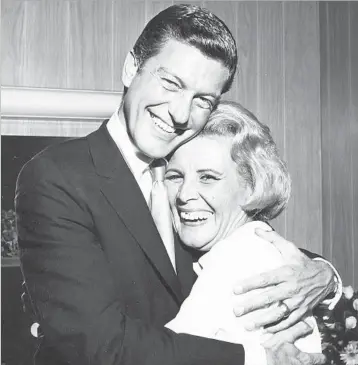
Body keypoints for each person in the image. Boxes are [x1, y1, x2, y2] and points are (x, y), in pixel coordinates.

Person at [15, 4, 339, 365]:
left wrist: (327, 276)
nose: (181, 114)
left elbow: (247, 244)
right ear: (131, 68)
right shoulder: (57, 177)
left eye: (203, 100)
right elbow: (98, 346)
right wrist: (257, 358)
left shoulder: (191, 164)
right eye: (171, 83)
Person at [164, 101, 321, 356]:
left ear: (252, 187)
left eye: (208, 177)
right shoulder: (256, 245)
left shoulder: (237, 258)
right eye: (175, 177)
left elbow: (161, 356)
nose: (184, 194)